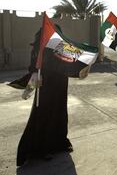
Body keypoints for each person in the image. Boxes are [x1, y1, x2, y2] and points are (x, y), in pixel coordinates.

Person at [17, 27, 73, 166]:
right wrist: (30, 85)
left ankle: (59, 144)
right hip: (46, 85)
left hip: (60, 85)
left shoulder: (61, 45)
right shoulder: (39, 45)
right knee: (44, 114)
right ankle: (42, 148)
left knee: (58, 113)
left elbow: (73, 59)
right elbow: (33, 67)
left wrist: (84, 64)